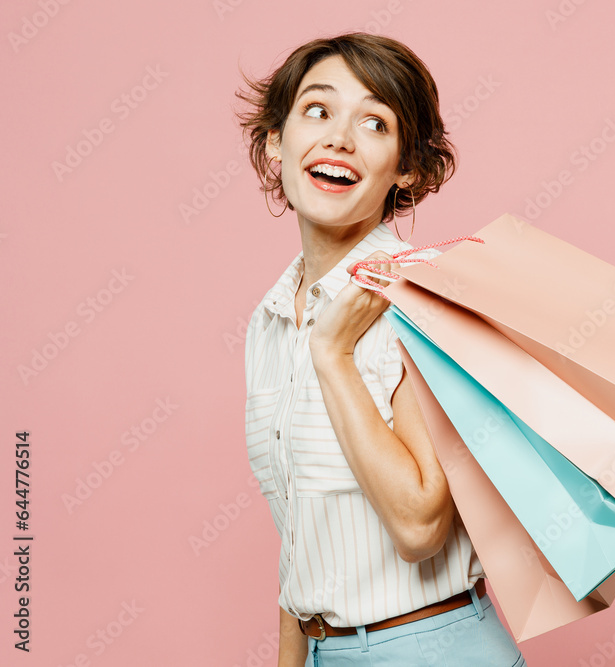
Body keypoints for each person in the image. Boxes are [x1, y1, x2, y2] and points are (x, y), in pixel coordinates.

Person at [235, 33, 526, 666]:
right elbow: (300, 543)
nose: (339, 137)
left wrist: (334, 357)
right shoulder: (271, 318)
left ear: (407, 168)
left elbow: (420, 525)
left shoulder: (423, 300)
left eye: (374, 122)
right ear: (276, 142)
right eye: (317, 110)